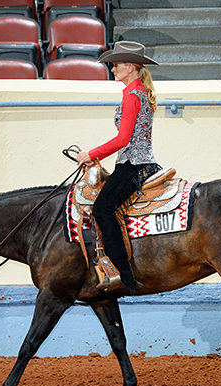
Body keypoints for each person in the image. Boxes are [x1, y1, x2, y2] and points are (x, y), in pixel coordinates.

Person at [76, 41, 160, 294]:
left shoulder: (132, 97)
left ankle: (124, 275)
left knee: (103, 208)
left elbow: (123, 140)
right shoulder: (137, 93)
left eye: (116, 65)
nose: (112, 69)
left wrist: (91, 153)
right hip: (135, 162)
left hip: (134, 165)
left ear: (131, 67)